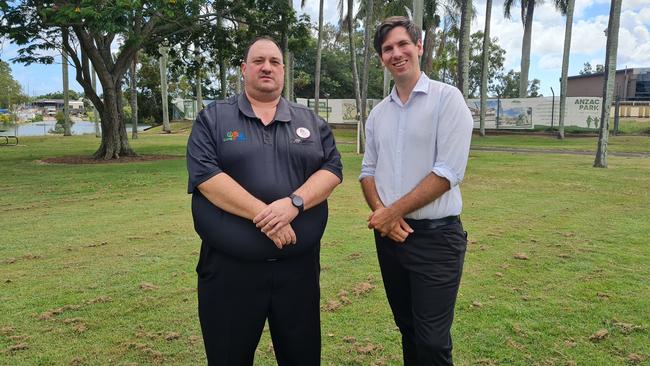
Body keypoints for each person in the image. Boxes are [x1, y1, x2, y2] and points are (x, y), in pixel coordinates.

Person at [186, 36, 342, 366]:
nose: (267, 67)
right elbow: (206, 177)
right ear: (244, 69)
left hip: (297, 272)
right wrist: (267, 215)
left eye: (274, 61)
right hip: (230, 273)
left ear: (284, 71)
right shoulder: (213, 119)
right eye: (258, 61)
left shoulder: (310, 122)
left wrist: (294, 204)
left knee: (301, 357)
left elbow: (332, 169)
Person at [359, 16, 473, 366]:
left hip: (437, 240)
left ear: (419, 47)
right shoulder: (378, 114)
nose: (396, 53)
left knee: (433, 341)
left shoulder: (447, 99)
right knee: (407, 328)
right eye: (387, 48)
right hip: (391, 240)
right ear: (381, 58)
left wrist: (391, 213)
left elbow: (448, 172)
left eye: (402, 44)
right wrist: (384, 215)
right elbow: (367, 172)